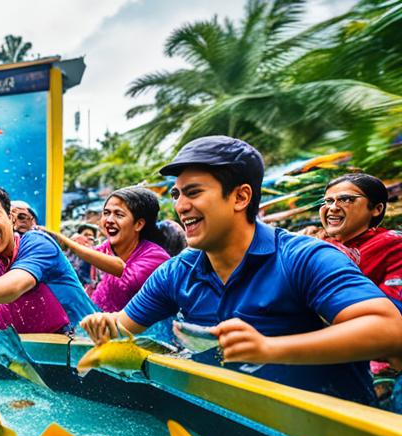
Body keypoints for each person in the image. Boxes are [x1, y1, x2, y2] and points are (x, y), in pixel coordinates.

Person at [80, 136, 402, 405]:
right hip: (230, 433)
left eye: (193, 192)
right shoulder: (176, 272)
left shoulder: (302, 258)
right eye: (177, 195)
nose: (180, 206)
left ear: (240, 196)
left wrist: (271, 349)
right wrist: (103, 325)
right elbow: (122, 328)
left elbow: (389, 328)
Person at [0, 184, 96, 333]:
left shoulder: (37, 243)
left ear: (11, 218)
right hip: (32, 354)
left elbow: (17, 283)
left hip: (88, 342)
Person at [43, 187, 170, 313]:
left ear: (138, 224)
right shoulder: (101, 251)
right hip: (98, 327)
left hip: (145, 331)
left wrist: (69, 243)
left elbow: (125, 272)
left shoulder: (156, 257)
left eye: (119, 214)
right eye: (106, 213)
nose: (109, 220)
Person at [319, 173, 402, 306]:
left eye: (346, 199)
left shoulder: (393, 245)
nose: (332, 207)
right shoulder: (316, 246)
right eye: (328, 201)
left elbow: (393, 311)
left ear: (376, 209)